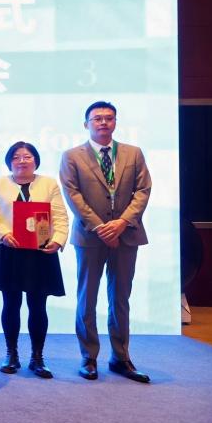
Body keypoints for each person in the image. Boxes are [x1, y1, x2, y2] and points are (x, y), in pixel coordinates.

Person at [59, 101, 152, 383]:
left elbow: (143, 190)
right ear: (86, 124)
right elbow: (73, 195)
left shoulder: (133, 153)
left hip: (127, 234)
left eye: (108, 118)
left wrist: (122, 223)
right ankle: (89, 357)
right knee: (87, 297)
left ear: (115, 122)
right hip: (90, 236)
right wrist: (100, 227)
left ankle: (120, 357)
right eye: (97, 118)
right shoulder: (72, 156)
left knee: (120, 297)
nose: (103, 122)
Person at [0, 141, 68, 379]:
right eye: (16, 157)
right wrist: (3, 234)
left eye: (27, 156)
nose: (22, 161)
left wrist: (58, 240)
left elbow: (60, 215)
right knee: (10, 304)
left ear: (35, 160)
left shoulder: (49, 183)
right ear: (9, 161)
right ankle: (11, 354)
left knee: (38, 305)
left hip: (40, 251)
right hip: (9, 249)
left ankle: (37, 357)